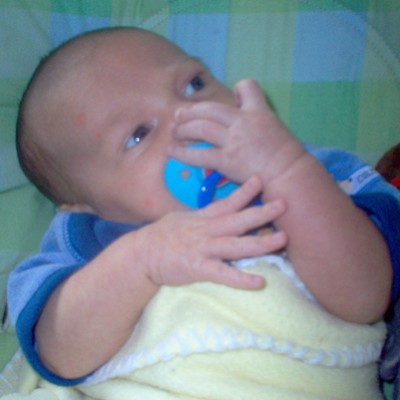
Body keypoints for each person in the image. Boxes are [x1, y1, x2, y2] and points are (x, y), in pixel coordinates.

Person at [7, 27, 400, 396]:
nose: (189, 118)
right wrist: (141, 260)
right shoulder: (88, 241)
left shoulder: (317, 179)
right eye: (138, 134)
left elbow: (366, 297)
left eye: (193, 84)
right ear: (85, 205)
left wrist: (285, 168)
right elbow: (58, 354)